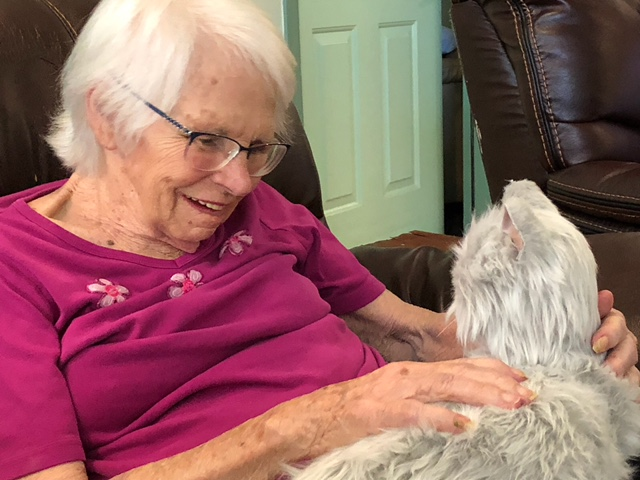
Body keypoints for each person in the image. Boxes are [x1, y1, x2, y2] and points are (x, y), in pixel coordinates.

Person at [0, 1, 637, 479]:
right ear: (107, 116)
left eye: (256, 147)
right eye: (209, 140)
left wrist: (569, 338)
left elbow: (412, 334)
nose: (237, 180)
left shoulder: (261, 210)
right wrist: (311, 422)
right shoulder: (15, 264)